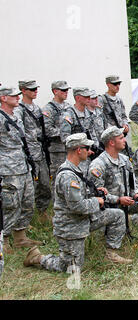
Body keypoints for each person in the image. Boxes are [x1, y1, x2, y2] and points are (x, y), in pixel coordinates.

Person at [23, 133, 131, 271]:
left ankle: (111, 253)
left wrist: (98, 192)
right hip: (70, 226)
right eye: (87, 148)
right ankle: (38, 258)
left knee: (117, 215)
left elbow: (82, 194)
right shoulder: (68, 176)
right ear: (79, 150)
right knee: (72, 268)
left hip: (83, 219)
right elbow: (78, 206)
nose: (90, 151)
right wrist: (97, 201)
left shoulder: (77, 169)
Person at [88, 126, 138, 244]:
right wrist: (118, 200)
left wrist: (136, 194)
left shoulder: (124, 160)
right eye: (121, 138)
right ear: (111, 143)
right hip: (110, 206)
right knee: (111, 223)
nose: (125, 140)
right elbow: (97, 195)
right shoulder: (98, 165)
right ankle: (111, 244)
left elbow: (132, 184)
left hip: (127, 201)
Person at [0, 86, 42, 252]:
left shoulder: (15, 116)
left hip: (23, 167)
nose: (18, 98)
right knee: (11, 205)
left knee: (27, 202)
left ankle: (20, 236)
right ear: (3, 98)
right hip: (8, 169)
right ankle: (4, 240)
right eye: (13, 96)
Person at [15, 80, 52, 216]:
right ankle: (23, 218)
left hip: (40, 152)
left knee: (45, 184)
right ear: (23, 91)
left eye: (36, 89)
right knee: (29, 187)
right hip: (29, 153)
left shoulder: (37, 108)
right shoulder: (19, 109)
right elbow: (19, 131)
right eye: (31, 89)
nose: (35, 91)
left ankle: (42, 211)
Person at [60, 87, 100, 174]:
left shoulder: (88, 113)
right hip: (77, 156)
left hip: (90, 154)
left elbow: (93, 132)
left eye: (89, 97)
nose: (89, 99)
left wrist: (95, 147)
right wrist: (83, 149)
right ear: (77, 98)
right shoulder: (68, 114)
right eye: (86, 97)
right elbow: (65, 138)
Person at [42, 81, 72, 194]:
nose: (66, 92)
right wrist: (65, 133)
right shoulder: (48, 109)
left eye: (67, 90)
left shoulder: (68, 107)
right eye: (63, 90)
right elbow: (48, 130)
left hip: (69, 149)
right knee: (57, 179)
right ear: (55, 91)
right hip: (57, 150)